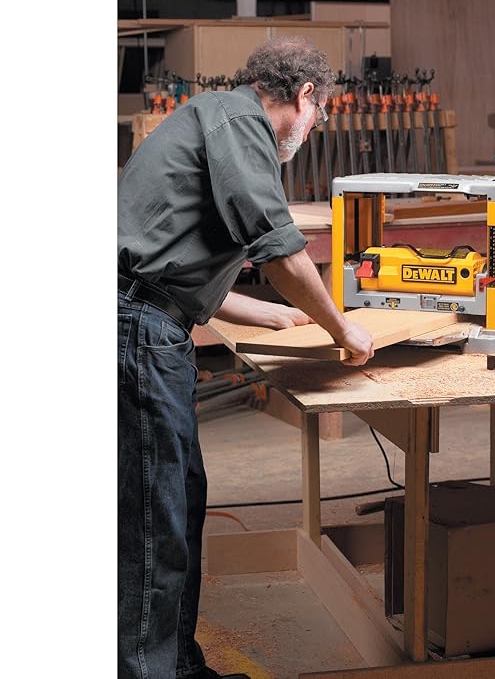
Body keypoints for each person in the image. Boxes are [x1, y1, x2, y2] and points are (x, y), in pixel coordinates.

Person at [118, 36, 374, 679]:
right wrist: (342, 328)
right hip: (138, 331)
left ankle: (176, 666)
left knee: (177, 504)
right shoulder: (240, 121)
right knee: (156, 520)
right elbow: (278, 245)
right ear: (305, 95)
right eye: (318, 117)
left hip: (146, 321)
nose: (311, 132)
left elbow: (171, 257)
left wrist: (262, 313)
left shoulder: (213, 117)